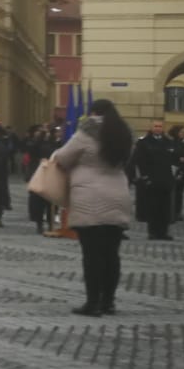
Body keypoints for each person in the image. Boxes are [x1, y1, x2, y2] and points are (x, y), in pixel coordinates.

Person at [52, 98, 134, 317]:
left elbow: (62, 158)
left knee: (92, 255)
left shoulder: (86, 133)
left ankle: (93, 303)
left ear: (93, 112)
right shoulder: (123, 134)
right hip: (118, 194)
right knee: (111, 254)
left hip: (90, 197)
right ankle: (109, 302)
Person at [131, 121, 176, 240]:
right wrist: (145, 177)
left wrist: (174, 176)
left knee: (165, 207)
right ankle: (153, 232)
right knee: (153, 207)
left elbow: (174, 159)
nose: (158, 128)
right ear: (151, 128)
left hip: (166, 180)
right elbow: (139, 161)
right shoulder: (144, 142)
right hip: (152, 180)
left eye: (160, 126)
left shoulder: (169, 142)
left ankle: (164, 232)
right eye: (155, 126)